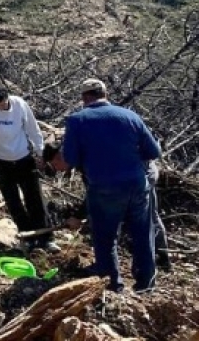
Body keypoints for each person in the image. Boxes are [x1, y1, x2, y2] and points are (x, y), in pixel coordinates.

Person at [62, 79, 161, 293]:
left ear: (84, 97)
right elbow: (153, 152)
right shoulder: (130, 116)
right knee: (143, 234)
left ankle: (111, 285)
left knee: (106, 237)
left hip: (104, 188)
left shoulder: (77, 120)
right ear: (105, 94)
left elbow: (70, 157)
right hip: (137, 185)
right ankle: (146, 285)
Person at [0, 85, 57, 252]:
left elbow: (32, 129)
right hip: (0, 160)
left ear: (7, 97)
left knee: (35, 198)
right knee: (13, 200)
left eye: (2, 102)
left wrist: (40, 152)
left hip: (23, 157)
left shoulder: (19, 104)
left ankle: (46, 238)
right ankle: (27, 237)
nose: (0, 106)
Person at [147, 160, 171, 272]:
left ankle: (163, 257)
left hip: (141, 177)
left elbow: (153, 150)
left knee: (151, 217)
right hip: (144, 175)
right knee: (152, 217)